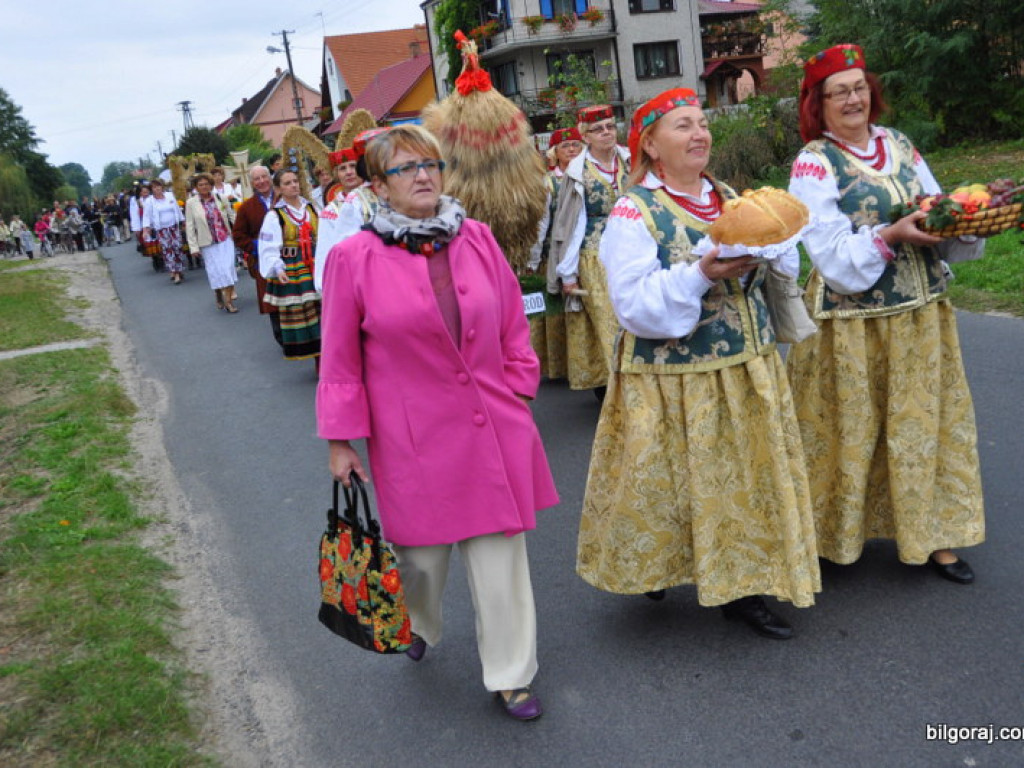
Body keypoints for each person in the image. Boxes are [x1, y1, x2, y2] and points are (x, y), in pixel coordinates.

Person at [317, 125, 558, 720]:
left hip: (491, 428)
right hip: (411, 438)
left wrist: (520, 386)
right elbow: (340, 355)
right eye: (406, 169)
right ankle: (419, 619)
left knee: (501, 561)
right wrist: (340, 441)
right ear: (378, 186)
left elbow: (511, 325)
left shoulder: (476, 238)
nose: (424, 176)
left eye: (432, 164)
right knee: (421, 562)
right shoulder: (354, 258)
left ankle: (512, 674)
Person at [576, 88, 821, 639]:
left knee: (739, 481)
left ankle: (743, 588)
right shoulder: (631, 210)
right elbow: (633, 306)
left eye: (703, 123)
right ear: (653, 146)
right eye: (683, 125)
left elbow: (771, 272)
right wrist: (700, 274)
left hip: (746, 366)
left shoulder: (731, 197)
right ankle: (655, 564)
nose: (700, 134)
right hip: (669, 379)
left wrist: (780, 245)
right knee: (663, 483)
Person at [786, 44, 985, 584]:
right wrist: (891, 235)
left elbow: (937, 206)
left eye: (859, 88)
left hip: (921, 313)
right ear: (818, 104)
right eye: (839, 92)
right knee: (850, 432)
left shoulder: (898, 143)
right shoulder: (814, 162)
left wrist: (964, 222)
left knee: (925, 425)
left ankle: (934, 535)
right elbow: (828, 255)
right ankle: (836, 536)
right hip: (852, 325)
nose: (853, 99)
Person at [548, 105, 631, 395]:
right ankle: (619, 391)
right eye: (598, 129)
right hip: (594, 257)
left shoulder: (630, 161)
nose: (606, 133)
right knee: (611, 325)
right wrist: (567, 274)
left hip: (634, 251)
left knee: (637, 319)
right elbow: (568, 225)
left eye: (610, 126)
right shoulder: (576, 172)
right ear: (586, 136)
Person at [313, 127, 389, 291]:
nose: (349, 173)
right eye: (342, 168)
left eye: (352, 166)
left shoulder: (395, 192)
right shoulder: (338, 209)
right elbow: (332, 255)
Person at [258, 169, 321, 365]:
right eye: (287, 183)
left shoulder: (312, 208)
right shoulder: (275, 216)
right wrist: (278, 268)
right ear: (278, 189)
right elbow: (268, 247)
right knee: (306, 313)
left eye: (295, 181)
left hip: (317, 263)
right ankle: (319, 358)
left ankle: (331, 355)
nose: (293, 185)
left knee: (326, 310)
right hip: (295, 268)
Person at [232, 165, 283, 346]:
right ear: (252, 183)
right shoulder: (247, 207)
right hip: (263, 261)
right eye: (257, 179)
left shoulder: (283, 199)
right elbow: (238, 235)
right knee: (272, 300)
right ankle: (280, 336)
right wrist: (257, 247)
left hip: (288, 256)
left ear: (270, 178)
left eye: (264, 177)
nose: (261, 181)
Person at [185, 172, 239, 313]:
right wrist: (193, 247)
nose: (204, 187)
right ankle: (218, 293)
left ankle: (228, 301)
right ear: (196, 187)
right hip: (207, 243)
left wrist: (238, 232)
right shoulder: (191, 203)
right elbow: (190, 226)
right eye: (200, 185)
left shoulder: (220, 198)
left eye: (207, 184)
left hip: (224, 239)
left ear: (211, 185)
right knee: (215, 271)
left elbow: (231, 215)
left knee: (227, 269)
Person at [142, 178, 187, 283]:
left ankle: (179, 269)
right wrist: (145, 230)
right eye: (154, 187)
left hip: (173, 226)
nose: (157, 189)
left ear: (162, 187)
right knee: (168, 250)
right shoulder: (150, 201)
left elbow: (177, 209)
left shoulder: (169, 196)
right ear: (151, 189)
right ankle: (174, 272)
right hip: (162, 229)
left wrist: (183, 222)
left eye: (158, 186)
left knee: (178, 247)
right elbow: (146, 216)